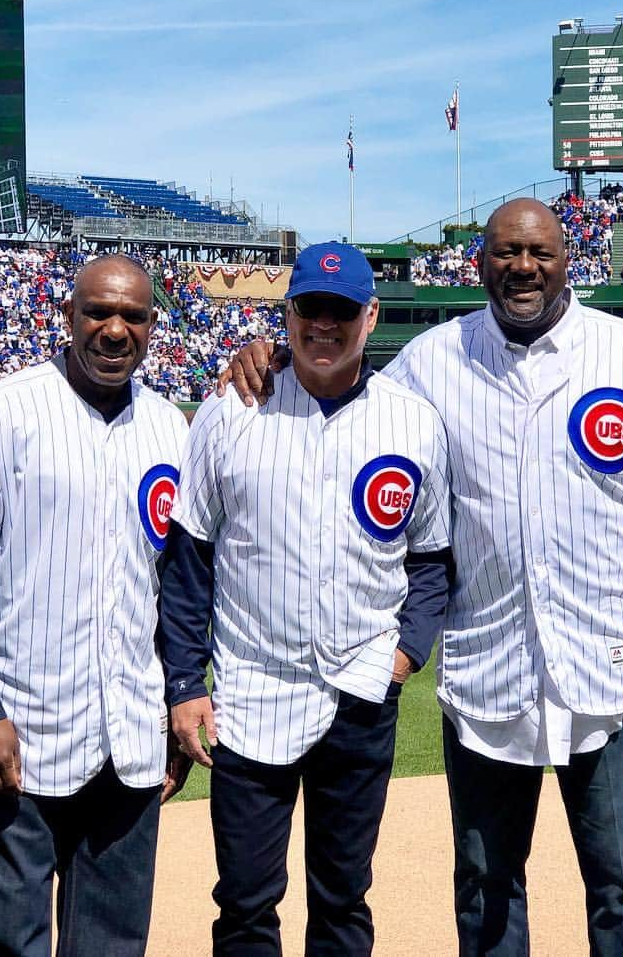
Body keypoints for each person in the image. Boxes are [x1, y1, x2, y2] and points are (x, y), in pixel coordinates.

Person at [222, 200, 623, 956]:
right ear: (479, 262)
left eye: (540, 252)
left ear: (566, 259)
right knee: (487, 886)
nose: (523, 267)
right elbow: (352, 391)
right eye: (506, 252)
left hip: (611, 669)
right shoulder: (431, 361)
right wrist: (277, 355)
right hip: (490, 672)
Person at [159, 242, 453, 955]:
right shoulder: (232, 411)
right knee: (246, 902)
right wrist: (183, 683)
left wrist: (405, 654)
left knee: (343, 895)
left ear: (371, 315)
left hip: (359, 690)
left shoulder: (413, 422)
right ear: (286, 314)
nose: (324, 324)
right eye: (308, 309)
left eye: (341, 310)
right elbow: (189, 557)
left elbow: (433, 560)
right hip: (249, 693)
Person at [0, 254, 190, 957]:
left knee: (111, 944)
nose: (115, 329)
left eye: (133, 316)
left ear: (152, 326)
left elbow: (176, 588)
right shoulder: (0, 410)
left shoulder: (171, 428)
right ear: (67, 315)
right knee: (0, 944)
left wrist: (178, 701)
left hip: (129, 741)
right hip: (16, 736)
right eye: (98, 312)